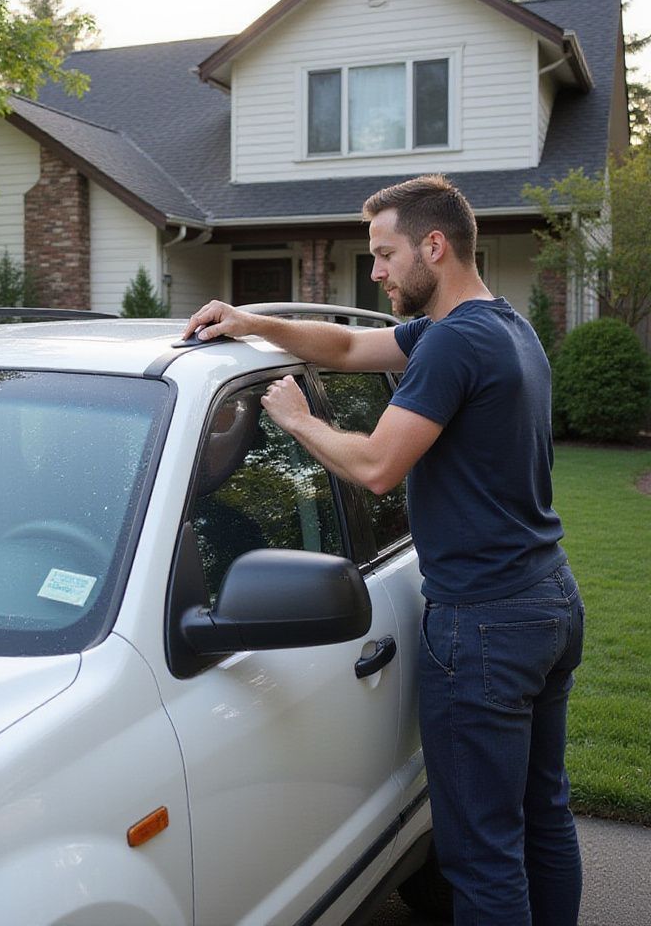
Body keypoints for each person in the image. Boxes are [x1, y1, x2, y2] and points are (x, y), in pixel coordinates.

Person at [183, 174, 584, 926]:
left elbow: (375, 468)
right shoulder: (500, 326)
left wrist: (299, 421)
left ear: (434, 245)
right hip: (547, 601)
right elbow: (340, 343)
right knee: (542, 816)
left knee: (482, 852)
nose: (374, 272)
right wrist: (250, 320)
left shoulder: (454, 345)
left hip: (487, 624)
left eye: (383, 254)